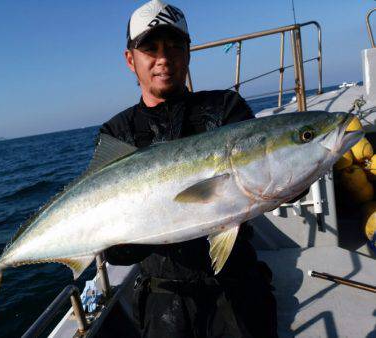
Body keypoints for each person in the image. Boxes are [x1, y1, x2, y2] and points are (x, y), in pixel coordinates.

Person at [98, 1, 278, 337]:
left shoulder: (226, 108)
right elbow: (117, 254)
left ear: (188, 53)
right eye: (150, 48)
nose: (163, 58)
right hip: (163, 300)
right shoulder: (117, 132)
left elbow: (263, 180)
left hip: (238, 289)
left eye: (175, 46)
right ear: (130, 60)